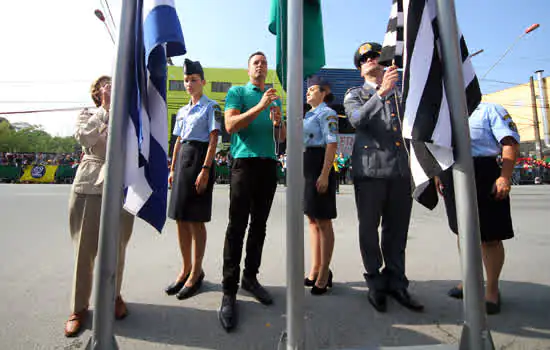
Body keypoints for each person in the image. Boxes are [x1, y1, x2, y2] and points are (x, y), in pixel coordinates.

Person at [343, 42, 423, 313]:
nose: (371, 60)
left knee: (397, 231)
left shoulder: (402, 95)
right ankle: (375, 281)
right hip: (370, 172)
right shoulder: (355, 94)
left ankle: (397, 282)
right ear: (360, 69)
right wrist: (381, 92)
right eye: (364, 59)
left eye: (375, 56)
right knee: (368, 230)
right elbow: (356, 120)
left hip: (401, 172)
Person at [219, 51, 286, 332]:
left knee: (259, 225)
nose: (261, 66)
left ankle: (250, 277)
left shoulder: (275, 98)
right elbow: (231, 125)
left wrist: (278, 122)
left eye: (264, 63)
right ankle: (229, 291)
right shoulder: (238, 92)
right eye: (255, 63)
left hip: (268, 165)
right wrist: (260, 106)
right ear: (248, 70)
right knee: (237, 227)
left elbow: (280, 138)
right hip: (244, 165)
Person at [64, 76, 135, 337]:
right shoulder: (88, 114)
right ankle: (78, 307)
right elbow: (85, 138)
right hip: (92, 180)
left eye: (114, 82)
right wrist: (106, 109)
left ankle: (114, 296)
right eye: (105, 84)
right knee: (85, 248)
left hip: (122, 184)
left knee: (118, 246)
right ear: (96, 92)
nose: (111, 85)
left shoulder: (129, 115)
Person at [436, 102, 519, 315]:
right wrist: (438, 174)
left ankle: (492, 290)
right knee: (462, 232)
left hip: (484, 172)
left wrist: (504, 176)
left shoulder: (490, 109)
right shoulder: (445, 110)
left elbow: (509, 143)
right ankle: (469, 281)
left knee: (490, 236)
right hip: (452, 171)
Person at [165, 59, 220, 300]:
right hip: (183, 161)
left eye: (193, 80)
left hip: (200, 159)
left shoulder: (211, 107)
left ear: (203, 82)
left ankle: (197, 272)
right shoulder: (182, 110)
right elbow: (178, 140)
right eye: (186, 80)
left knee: (196, 220)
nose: (189, 84)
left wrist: (206, 169)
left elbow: (214, 138)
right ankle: (185, 268)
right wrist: (172, 167)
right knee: (179, 218)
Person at [302, 77, 338, 295]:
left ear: (324, 93)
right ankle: (315, 267)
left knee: (324, 221)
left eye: (312, 90)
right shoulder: (308, 114)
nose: (307, 93)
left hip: (320, 165)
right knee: (312, 220)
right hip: (308, 165)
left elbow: (332, 143)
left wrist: (325, 174)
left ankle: (325, 272)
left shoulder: (328, 113)